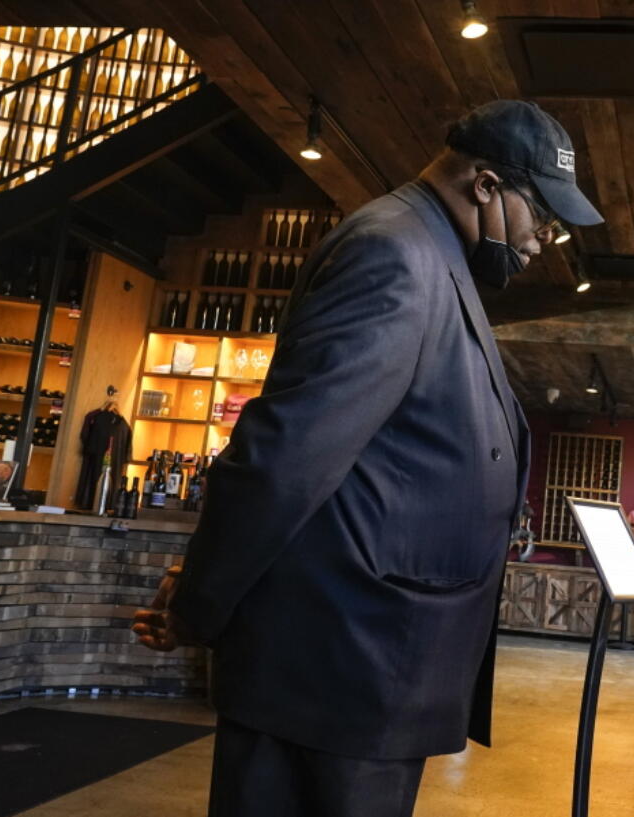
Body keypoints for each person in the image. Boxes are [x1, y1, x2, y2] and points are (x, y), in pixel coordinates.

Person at [130, 100, 603, 817]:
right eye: (542, 215)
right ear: (483, 185)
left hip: (365, 674)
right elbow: (284, 455)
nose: (544, 240)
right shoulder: (394, 252)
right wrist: (200, 602)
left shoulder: (432, 254)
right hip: (332, 671)